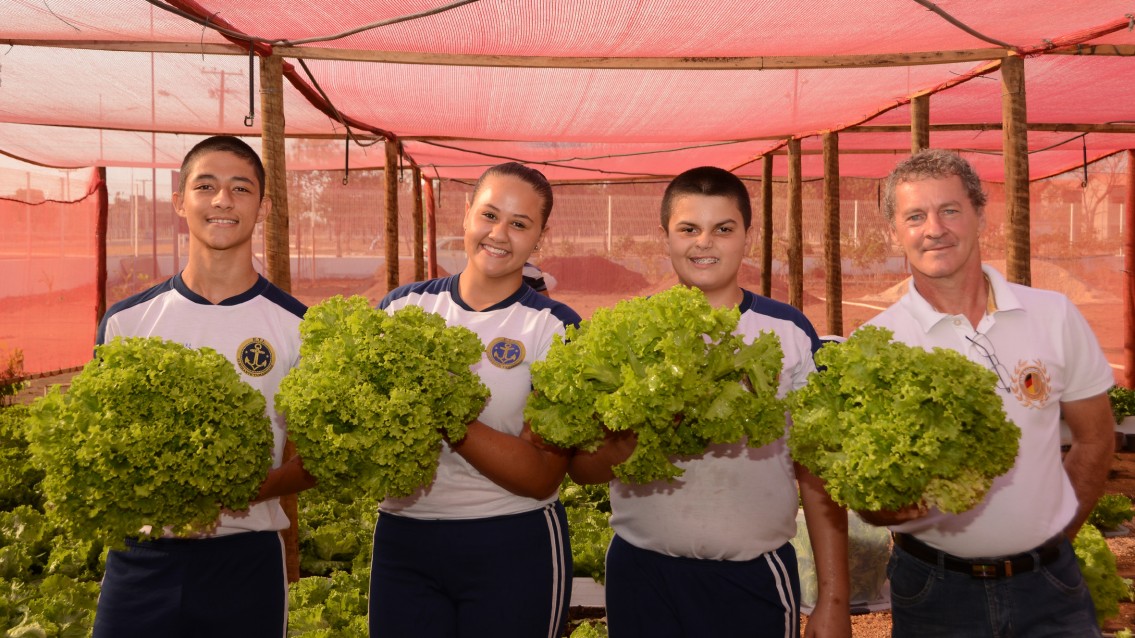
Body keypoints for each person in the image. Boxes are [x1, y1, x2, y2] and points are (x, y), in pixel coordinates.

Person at [569, 166, 852, 638]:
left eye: (723, 229)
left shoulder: (788, 331)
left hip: (753, 576)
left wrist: (833, 601)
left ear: (747, 236)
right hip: (641, 574)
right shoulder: (626, 332)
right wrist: (647, 427)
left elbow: (817, 471)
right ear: (667, 237)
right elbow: (583, 469)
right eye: (688, 229)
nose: (705, 243)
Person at [860, 149, 1116, 637]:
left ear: (980, 214)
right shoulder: (878, 343)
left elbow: (1096, 438)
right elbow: (865, 494)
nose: (934, 228)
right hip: (934, 591)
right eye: (915, 216)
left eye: (949, 210)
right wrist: (883, 506)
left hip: (1050, 590)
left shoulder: (1054, 314)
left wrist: (1057, 538)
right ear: (896, 230)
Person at [92, 135, 316, 637]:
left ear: (264, 206)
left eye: (241, 188)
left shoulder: (298, 326)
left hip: (246, 562)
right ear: (180, 202)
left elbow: (314, 462)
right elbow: (101, 444)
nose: (222, 200)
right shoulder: (128, 322)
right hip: (140, 559)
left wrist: (240, 490)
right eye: (206, 186)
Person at [371, 162, 580, 638]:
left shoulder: (553, 326)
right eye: (489, 215)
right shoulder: (402, 308)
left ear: (539, 237)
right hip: (404, 541)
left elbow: (542, 475)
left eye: (520, 223)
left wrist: (445, 409)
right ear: (466, 215)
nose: (499, 234)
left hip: (513, 542)